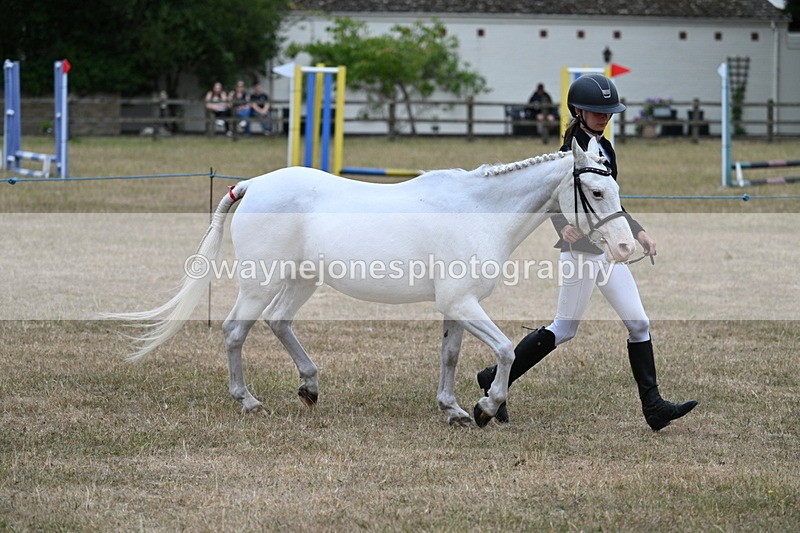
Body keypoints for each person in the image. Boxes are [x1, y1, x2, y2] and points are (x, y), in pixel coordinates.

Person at [477, 74, 698, 431]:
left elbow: (609, 201)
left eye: (608, 112)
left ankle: (653, 406)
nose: (604, 117)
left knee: (639, 323)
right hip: (581, 251)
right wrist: (561, 226)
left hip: (606, 249)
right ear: (578, 111)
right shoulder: (569, 154)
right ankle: (493, 378)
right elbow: (550, 196)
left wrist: (638, 231)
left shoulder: (606, 147)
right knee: (564, 328)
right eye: (597, 112)